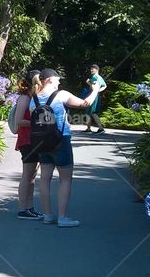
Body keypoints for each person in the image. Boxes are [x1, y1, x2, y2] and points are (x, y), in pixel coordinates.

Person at [34, 68, 100, 228]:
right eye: (57, 80)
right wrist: (96, 90)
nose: (59, 82)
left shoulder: (34, 98)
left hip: (42, 143)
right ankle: (63, 217)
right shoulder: (61, 95)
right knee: (65, 179)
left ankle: (47, 215)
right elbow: (86, 103)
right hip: (60, 141)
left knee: (44, 178)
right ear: (49, 80)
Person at [13, 70, 44, 220]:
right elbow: (19, 121)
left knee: (32, 176)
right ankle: (22, 209)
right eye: (41, 79)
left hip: (34, 141)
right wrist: (37, 123)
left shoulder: (33, 97)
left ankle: (30, 208)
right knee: (27, 175)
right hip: (27, 141)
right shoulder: (25, 98)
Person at [83, 64, 108, 134]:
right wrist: (99, 90)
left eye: (92, 69)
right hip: (95, 95)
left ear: (97, 70)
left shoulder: (94, 77)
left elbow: (93, 88)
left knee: (93, 112)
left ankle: (101, 128)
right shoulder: (99, 77)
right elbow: (105, 85)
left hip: (92, 95)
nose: (91, 70)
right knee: (89, 112)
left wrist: (89, 83)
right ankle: (88, 128)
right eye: (91, 69)